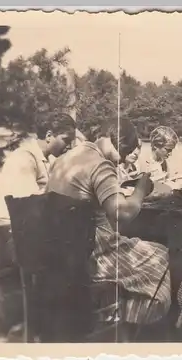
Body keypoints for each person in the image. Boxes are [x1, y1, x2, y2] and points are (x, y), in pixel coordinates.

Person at [47, 117, 171, 327]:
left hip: (60, 251)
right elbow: (123, 213)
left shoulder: (65, 160)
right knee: (162, 254)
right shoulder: (99, 164)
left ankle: (118, 315)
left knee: (137, 246)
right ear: (121, 142)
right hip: (89, 254)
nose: (122, 160)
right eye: (125, 151)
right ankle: (139, 325)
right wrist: (142, 186)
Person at [1, 112, 76, 198]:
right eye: (66, 140)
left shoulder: (51, 160)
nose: (69, 146)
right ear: (49, 136)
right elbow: (26, 202)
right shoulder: (23, 158)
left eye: (71, 142)